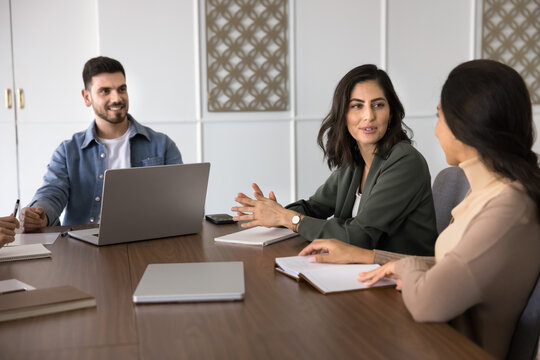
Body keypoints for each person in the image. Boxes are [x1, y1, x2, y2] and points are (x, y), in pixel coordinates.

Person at [300, 59, 540, 359]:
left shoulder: (507, 208)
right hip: (425, 335)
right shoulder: (487, 195)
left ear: (466, 126)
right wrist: (373, 258)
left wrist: (404, 266)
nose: (437, 131)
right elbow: (449, 266)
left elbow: (430, 297)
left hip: (449, 346)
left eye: (440, 117)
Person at [232, 64, 437, 255]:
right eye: (357, 106)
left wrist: (286, 218)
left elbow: (360, 236)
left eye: (378, 105)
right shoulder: (355, 161)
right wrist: (273, 212)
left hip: (402, 282)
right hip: (359, 273)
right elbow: (314, 208)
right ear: (343, 114)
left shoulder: (405, 162)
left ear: (391, 113)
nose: (369, 116)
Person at [20, 56, 183, 230]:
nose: (116, 98)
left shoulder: (162, 144)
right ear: (87, 97)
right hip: (85, 246)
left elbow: (181, 198)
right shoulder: (68, 151)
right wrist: (40, 213)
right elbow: (52, 193)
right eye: (105, 91)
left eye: (122, 89)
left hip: (146, 240)